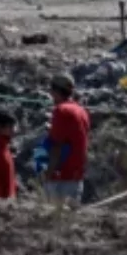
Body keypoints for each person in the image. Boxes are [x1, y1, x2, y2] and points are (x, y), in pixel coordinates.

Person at [44, 74, 91, 204]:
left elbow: (57, 144)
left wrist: (48, 174)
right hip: (76, 173)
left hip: (62, 175)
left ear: (56, 91)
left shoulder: (61, 111)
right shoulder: (81, 111)